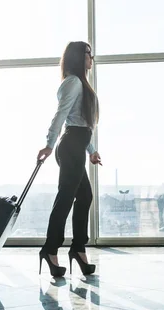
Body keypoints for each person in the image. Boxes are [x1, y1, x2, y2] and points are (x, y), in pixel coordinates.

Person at [37, 41, 102, 278]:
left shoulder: (81, 84)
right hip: (69, 146)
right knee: (66, 198)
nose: (91, 57)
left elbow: (83, 123)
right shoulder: (73, 82)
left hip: (78, 144)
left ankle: (77, 250)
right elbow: (62, 116)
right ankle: (51, 250)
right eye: (88, 53)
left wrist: (91, 150)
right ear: (77, 57)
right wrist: (48, 144)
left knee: (84, 196)